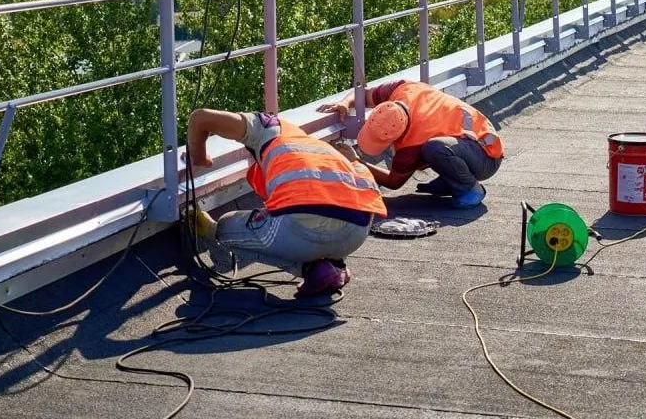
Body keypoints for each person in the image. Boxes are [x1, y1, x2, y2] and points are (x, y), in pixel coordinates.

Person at [184, 108, 387, 297]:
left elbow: (201, 118)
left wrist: (199, 158)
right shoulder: (320, 150)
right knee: (298, 227)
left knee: (227, 225)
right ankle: (333, 265)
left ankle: (310, 269)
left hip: (302, 225)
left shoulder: (266, 128)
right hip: (356, 232)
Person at [318, 80, 504, 209]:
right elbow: (365, 92)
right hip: (472, 141)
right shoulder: (402, 89)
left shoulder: (411, 146)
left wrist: (356, 162)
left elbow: (393, 182)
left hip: (487, 156)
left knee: (435, 148)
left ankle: (470, 190)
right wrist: (344, 103)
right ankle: (452, 179)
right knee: (439, 146)